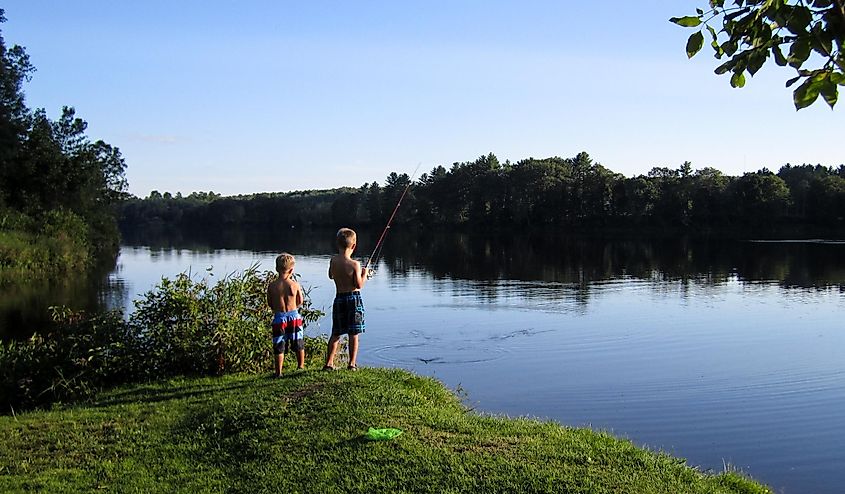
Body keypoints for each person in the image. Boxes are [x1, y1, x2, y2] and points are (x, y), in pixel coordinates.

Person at [324, 228, 369, 371]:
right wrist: (365, 274)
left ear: (337, 244)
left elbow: (331, 276)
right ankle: (351, 363)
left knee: (336, 332)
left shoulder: (333, 261)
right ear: (354, 246)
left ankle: (329, 363)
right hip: (353, 299)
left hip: (339, 299)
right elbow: (359, 285)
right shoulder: (355, 264)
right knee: (353, 333)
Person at [267, 252, 305, 376]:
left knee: (279, 344)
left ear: (276, 269)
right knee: (298, 341)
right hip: (294, 316)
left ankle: (278, 372)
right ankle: (300, 366)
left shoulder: (272, 286)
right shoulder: (294, 285)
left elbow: (270, 303)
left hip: (279, 317)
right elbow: (300, 301)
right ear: (292, 270)